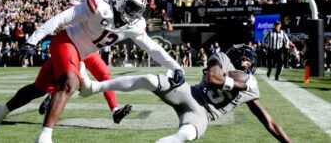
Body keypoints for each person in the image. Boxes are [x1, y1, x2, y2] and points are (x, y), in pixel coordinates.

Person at [0, 0, 184, 143]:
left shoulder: (133, 25)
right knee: (70, 83)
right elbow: (60, 19)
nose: (133, 14)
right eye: (131, 7)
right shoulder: (98, 6)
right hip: (65, 42)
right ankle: (45, 137)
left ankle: (0, 111)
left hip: (79, 54)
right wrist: (32, 40)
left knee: (39, 88)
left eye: (136, 10)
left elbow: (152, 47)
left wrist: (175, 67)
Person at [79, 44, 292, 143]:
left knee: (186, 135)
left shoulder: (251, 87)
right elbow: (213, 79)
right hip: (189, 94)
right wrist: (239, 86)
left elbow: (269, 122)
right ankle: (94, 87)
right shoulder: (223, 60)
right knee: (151, 80)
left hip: (203, 115)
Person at [38, 0, 132, 124]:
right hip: (73, 48)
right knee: (66, 80)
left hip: (90, 51)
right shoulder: (77, 6)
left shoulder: (104, 7)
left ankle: (114, 110)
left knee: (104, 75)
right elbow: (61, 23)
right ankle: (51, 96)